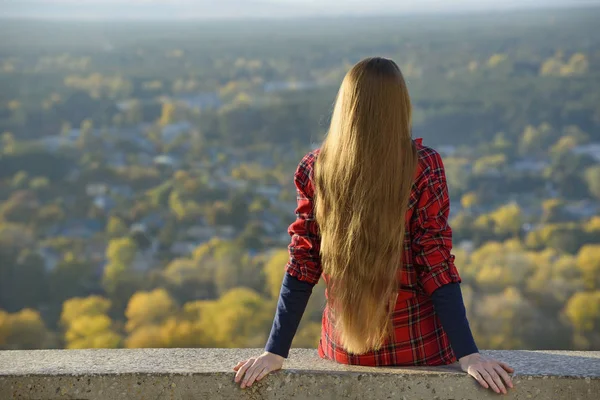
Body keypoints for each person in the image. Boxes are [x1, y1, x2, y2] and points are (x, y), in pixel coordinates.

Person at [233, 57, 514, 395]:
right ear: (401, 106)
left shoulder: (315, 168)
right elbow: (435, 262)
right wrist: (469, 354)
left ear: (347, 106)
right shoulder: (423, 167)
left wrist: (275, 350)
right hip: (420, 348)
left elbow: (303, 262)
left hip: (344, 352)